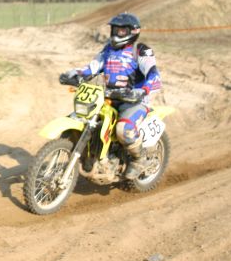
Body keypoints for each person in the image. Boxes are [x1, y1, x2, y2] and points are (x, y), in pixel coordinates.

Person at [60, 13, 162, 179]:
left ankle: (139, 159)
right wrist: (73, 73)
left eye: (121, 30)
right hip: (107, 97)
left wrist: (142, 90)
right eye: (115, 29)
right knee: (80, 118)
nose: (116, 33)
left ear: (133, 31)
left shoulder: (141, 50)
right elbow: (91, 68)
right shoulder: (108, 49)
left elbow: (154, 75)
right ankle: (92, 155)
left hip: (133, 100)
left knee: (123, 130)